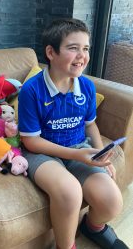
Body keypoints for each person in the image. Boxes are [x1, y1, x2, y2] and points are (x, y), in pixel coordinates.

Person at [18, 18, 128, 249]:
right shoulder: (31, 90)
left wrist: (99, 152)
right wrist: (77, 155)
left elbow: (90, 125)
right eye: (73, 48)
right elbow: (30, 140)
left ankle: (93, 227)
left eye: (86, 48)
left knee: (112, 201)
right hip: (41, 153)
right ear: (51, 52)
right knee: (69, 192)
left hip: (79, 147)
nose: (82, 55)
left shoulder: (86, 86)